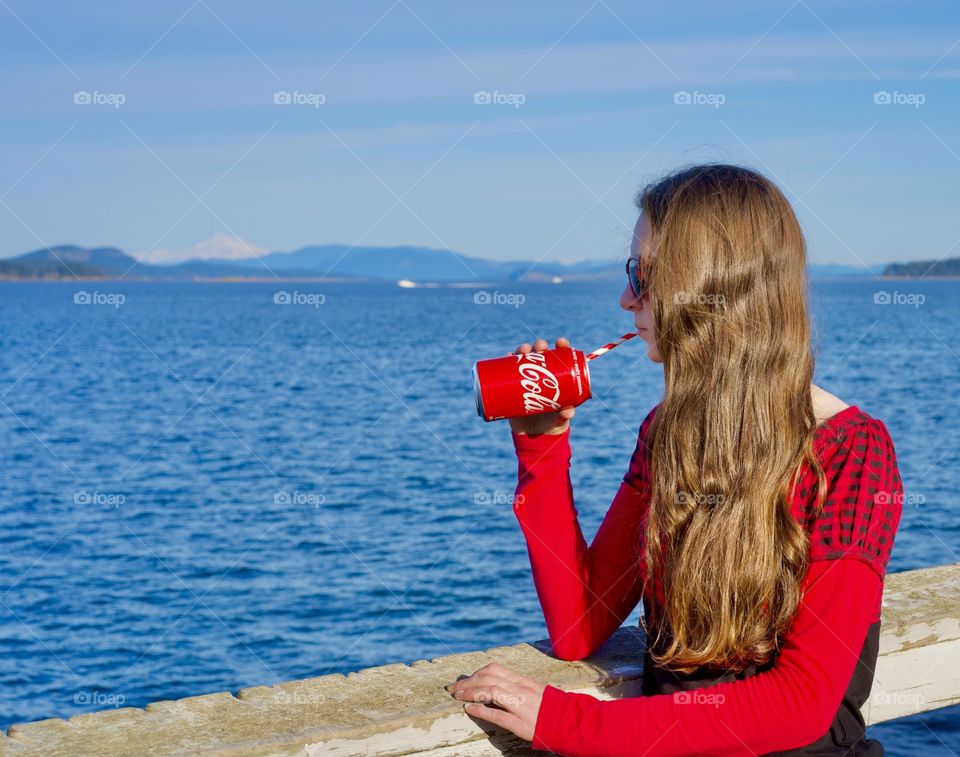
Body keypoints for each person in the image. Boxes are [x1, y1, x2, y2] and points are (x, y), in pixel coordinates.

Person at [445, 164, 904, 756]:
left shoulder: (850, 452)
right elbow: (580, 625)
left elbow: (802, 703)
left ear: (715, 284)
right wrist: (542, 447)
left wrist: (567, 721)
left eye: (645, 275)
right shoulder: (667, 433)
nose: (626, 298)